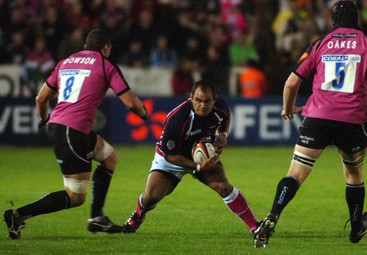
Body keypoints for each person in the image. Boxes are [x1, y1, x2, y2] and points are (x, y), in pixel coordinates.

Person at [253, 1, 367, 248]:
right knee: (353, 174)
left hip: (317, 117)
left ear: (332, 21)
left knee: (296, 172)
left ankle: (273, 215)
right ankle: (355, 227)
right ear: (357, 19)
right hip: (352, 119)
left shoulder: (320, 43)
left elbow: (291, 82)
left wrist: (288, 109)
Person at [3, 29, 148, 240]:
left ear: (84, 47)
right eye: (108, 47)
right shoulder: (105, 65)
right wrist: (144, 114)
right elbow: (131, 103)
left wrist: (44, 120)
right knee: (75, 196)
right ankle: (18, 215)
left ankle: (97, 217)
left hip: (64, 127)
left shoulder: (66, 62)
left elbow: (40, 99)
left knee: (109, 157)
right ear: (106, 47)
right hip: (73, 131)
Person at [122, 80, 259, 235]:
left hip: (201, 155)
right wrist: (198, 167)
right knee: (152, 197)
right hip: (171, 159)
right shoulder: (177, 119)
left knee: (223, 186)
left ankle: (255, 227)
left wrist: (224, 134)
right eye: (198, 100)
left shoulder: (221, 107)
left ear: (214, 99)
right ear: (191, 97)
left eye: (207, 101)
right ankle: (138, 215)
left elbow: (226, 118)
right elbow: (170, 155)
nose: (203, 105)